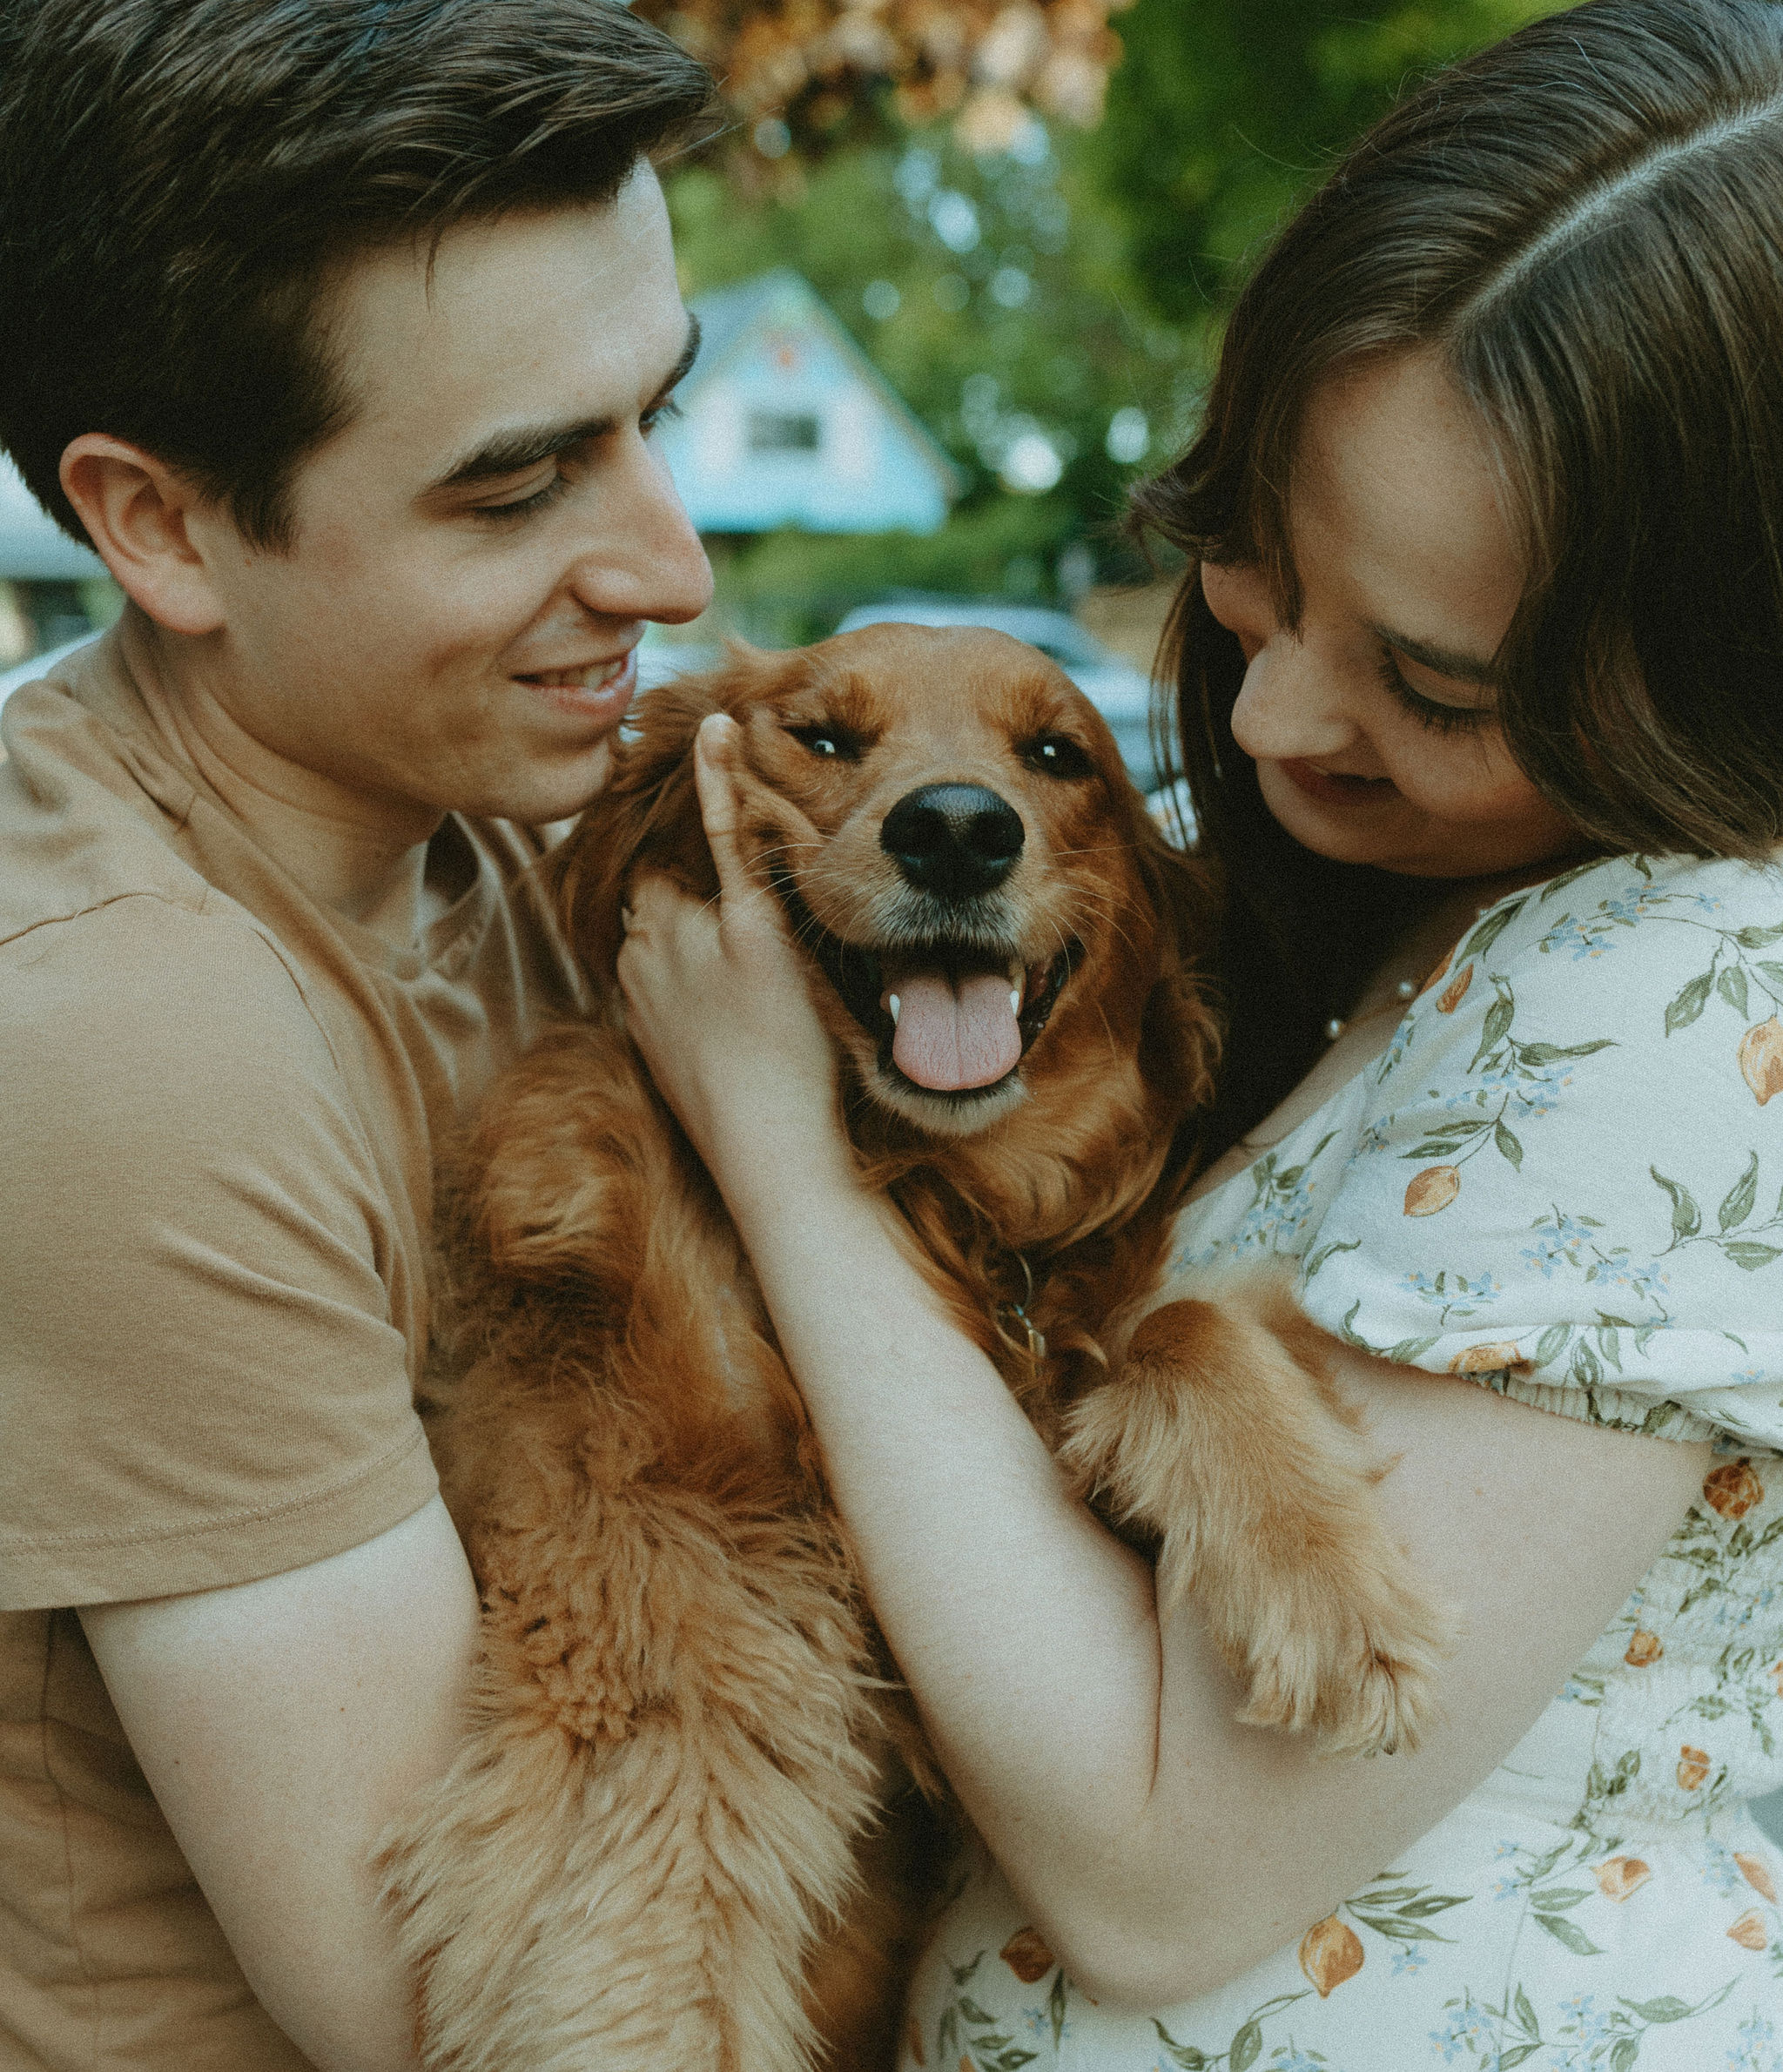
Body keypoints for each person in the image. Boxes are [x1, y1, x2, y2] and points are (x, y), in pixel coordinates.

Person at [616, 1, 1783, 2062]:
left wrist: (782, 1153)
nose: (1263, 717)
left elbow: (1160, 1871)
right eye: (1251, 559)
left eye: (1430, 684)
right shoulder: (1420, 918)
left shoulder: (1689, 983)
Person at [0, 4, 715, 2068]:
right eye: (518, 488)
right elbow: (464, 2001)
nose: (672, 566)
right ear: (158, 525)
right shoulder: (123, 1040)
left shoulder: (511, 800)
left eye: (658, 412)